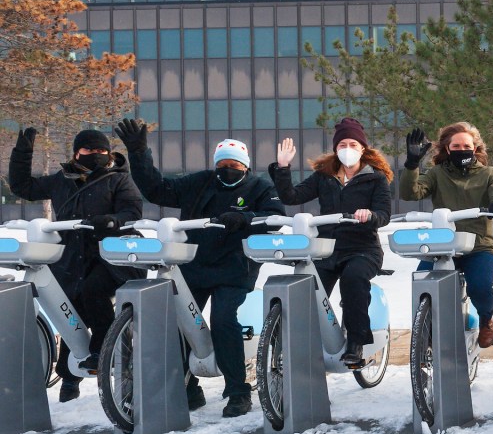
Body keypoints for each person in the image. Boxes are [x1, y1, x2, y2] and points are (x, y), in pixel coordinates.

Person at [115, 121, 285, 417]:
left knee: (222, 320)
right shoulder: (200, 182)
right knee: (179, 323)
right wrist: (138, 152)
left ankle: (237, 391)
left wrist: (244, 218)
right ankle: (188, 389)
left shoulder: (260, 187)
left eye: (233, 164)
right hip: (194, 264)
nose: (227, 169)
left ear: (244, 166)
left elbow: (275, 217)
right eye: (222, 164)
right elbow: (158, 190)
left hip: (234, 268)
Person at [7, 127, 145, 402]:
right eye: (89, 150)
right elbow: (23, 187)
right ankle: (69, 378)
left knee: (93, 291)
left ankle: (102, 351)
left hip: (110, 256)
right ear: (76, 153)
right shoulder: (62, 180)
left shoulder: (119, 179)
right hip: (73, 257)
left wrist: (112, 220)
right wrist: (22, 153)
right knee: (71, 310)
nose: (95, 155)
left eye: (101, 151)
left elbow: (132, 210)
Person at [269, 118, 393, 367]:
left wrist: (368, 216)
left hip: (362, 249)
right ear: (336, 148)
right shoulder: (323, 177)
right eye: (342, 144)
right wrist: (282, 168)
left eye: (353, 144)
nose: (347, 148)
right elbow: (292, 197)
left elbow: (384, 215)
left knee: (353, 280)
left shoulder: (375, 179)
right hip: (327, 249)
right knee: (308, 290)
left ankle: (356, 344)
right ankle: (297, 345)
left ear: (362, 149)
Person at [399, 122, 493, 347]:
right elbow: (410, 193)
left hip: (477, 246)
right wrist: (412, 164)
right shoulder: (437, 174)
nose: (462, 149)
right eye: (456, 145)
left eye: (466, 145)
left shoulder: (489, 174)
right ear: (447, 149)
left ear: (475, 147)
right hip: (443, 245)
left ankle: (486, 320)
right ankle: (427, 329)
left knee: (480, 287)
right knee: (423, 282)